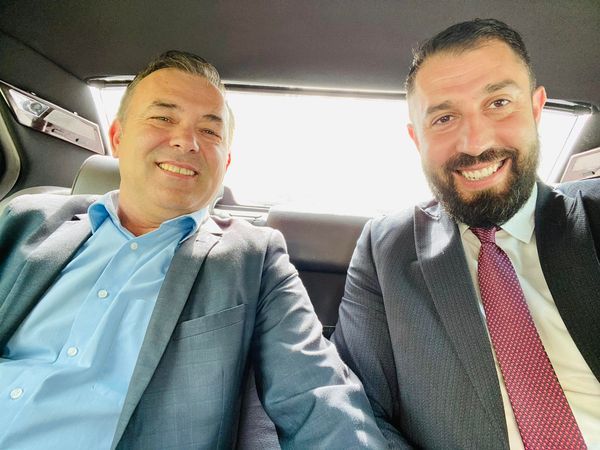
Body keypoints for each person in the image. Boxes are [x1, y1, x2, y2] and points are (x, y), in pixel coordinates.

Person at [0, 50, 386, 449]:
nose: (186, 141)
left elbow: (315, 393)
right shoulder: (25, 218)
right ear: (118, 137)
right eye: (163, 118)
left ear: (226, 161)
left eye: (210, 131)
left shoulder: (252, 256)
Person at [333, 19, 600, 449]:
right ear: (416, 139)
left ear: (536, 109)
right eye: (443, 117)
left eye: (498, 103)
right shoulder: (386, 248)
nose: (474, 143)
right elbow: (358, 408)